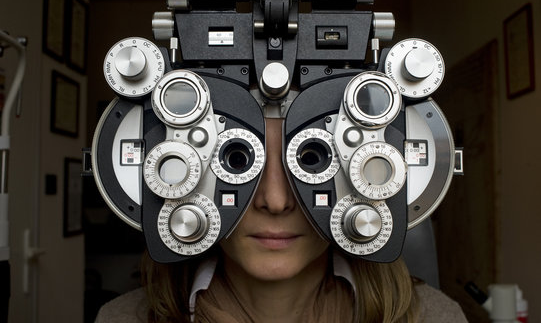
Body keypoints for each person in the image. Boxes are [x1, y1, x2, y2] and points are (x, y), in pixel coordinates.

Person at [95, 119, 468, 322]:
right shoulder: (123, 319)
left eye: (311, 161)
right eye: (237, 162)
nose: (275, 201)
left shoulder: (432, 317)